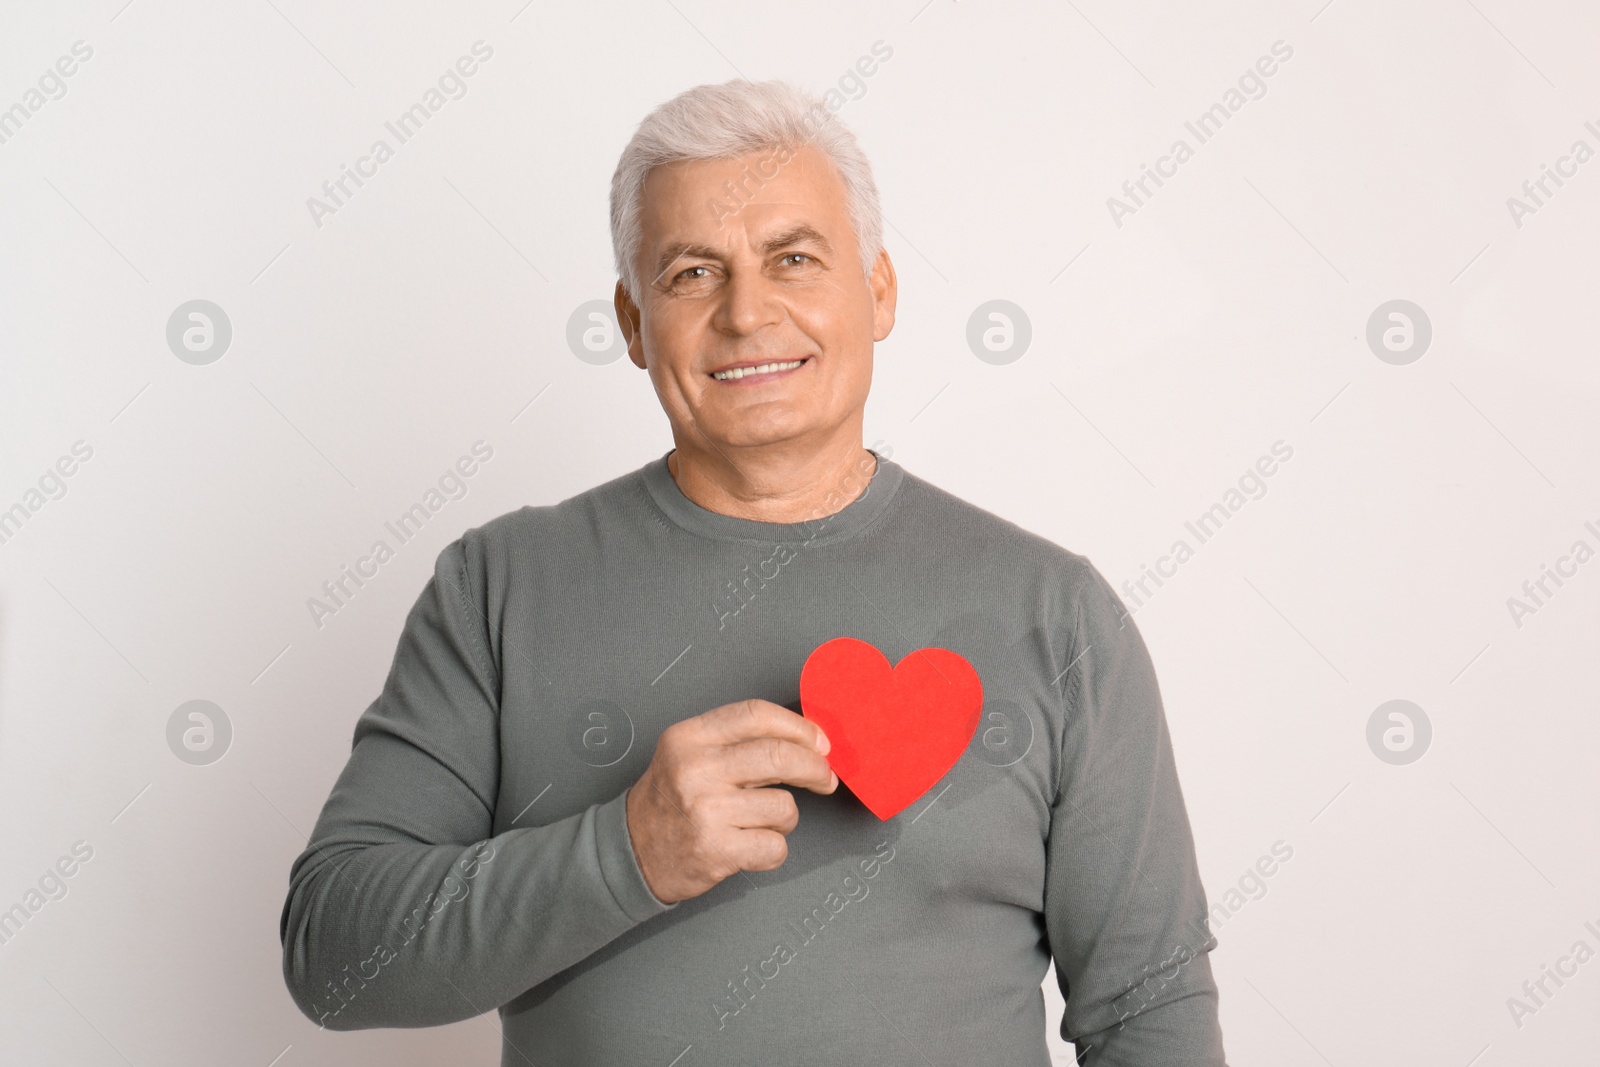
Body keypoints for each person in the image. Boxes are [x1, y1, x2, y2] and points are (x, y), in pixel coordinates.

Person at [279, 78, 1227, 1066]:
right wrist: (625, 854)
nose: (746, 311)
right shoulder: (497, 587)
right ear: (634, 320)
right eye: (692, 272)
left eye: (794, 258)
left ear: (879, 291)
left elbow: (1146, 1014)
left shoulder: (1056, 615)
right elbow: (330, 951)